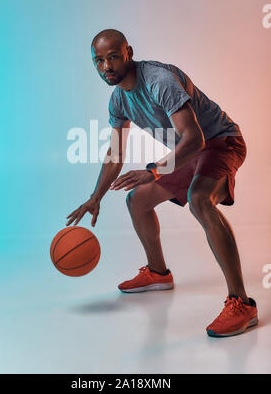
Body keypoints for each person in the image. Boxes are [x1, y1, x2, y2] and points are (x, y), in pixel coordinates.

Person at [66, 29, 258, 338]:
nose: (106, 67)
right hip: (190, 151)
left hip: (222, 141)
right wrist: (95, 196)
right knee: (137, 200)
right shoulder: (118, 100)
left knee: (199, 199)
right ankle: (158, 273)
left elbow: (194, 137)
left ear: (129, 51)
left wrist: (155, 170)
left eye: (113, 57)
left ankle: (242, 303)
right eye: (98, 61)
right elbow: (115, 154)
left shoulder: (158, 81)